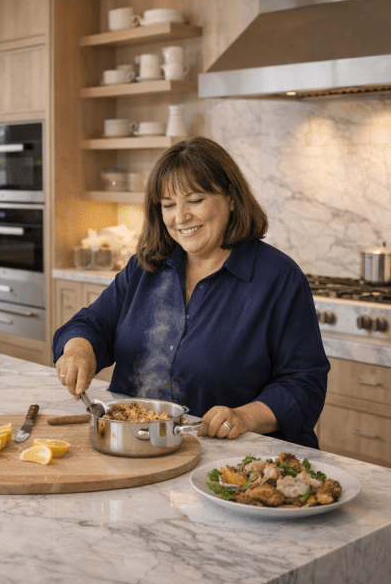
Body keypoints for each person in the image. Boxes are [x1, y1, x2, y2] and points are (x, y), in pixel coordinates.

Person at [53, 137, 330, 448]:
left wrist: (244, 417)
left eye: (195, 200)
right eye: (168, 205)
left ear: (232, 198)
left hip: (236, 458)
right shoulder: (146, 268)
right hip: (140, 446)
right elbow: (92, 325)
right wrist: (79, 350)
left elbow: (304, 384)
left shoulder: (278, 278)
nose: (180, 217)